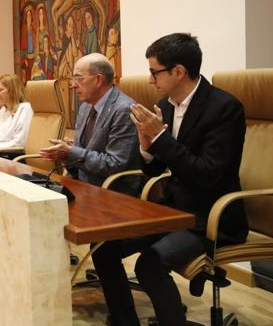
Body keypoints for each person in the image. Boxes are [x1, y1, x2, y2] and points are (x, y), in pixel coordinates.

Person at [93, 33, 248, 326]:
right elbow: (153, 170)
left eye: (154, 72)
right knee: (104, 247)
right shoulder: (164, 106)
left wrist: (161, 138)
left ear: (178, 71)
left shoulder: (224, 108)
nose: (151, 80)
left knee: (149, 264)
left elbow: (206, 175)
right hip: (173, 210)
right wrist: (146, 147)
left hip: (210, 217)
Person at [39, 53, 139, 194]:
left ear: (98, 79)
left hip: (112, 192)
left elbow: (115, 164)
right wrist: (66, 155)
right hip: (82, 187)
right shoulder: (86, 107)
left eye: (78, 78)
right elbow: (81, 158)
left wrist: (71, 151)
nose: (73, 85)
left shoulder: (123, 109)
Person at [0, 74, 33, 152]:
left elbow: (19, 143)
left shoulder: (25, 109)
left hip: (8, 156)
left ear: (13, 91)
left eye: (0, 90)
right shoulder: (3, 110)